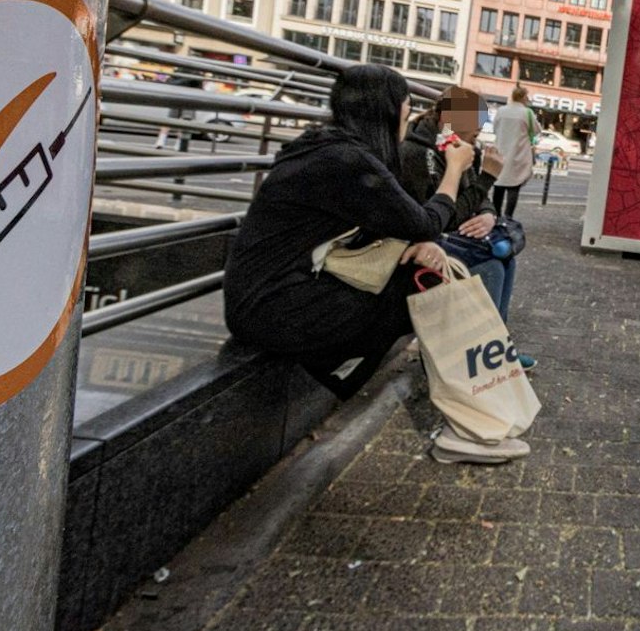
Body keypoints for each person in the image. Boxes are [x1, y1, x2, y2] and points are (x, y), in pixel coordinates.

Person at [224, 64, 526, 463]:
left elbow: (398, 224)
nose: (407, 120)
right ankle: (464, 427)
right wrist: (455, 172)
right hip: (272, 306)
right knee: (427, 285)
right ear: (386, 113)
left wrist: (418, 242)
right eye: (405, 111)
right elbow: (424, 221)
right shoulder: (348, 161)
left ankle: (458, 419)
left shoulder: (331, 150)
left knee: (424, 274)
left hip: (274, 294)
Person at [397, 86, 536, 370]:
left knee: (504, 254)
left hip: (451, 237)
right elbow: (439, 219)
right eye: (475, 122)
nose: (480, 130)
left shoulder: (458, 146)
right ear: (450, 119)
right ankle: (481, 357)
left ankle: (495, 345)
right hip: (424, 244)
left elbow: (479, 199)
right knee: (491, 264)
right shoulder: (417, 154)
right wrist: (487, 178)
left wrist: (487, 215)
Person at [490, 86, 539, 217]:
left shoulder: (501, 110)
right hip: (518, 153)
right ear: (523, 97)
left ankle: (496, 215)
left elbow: (495, 129)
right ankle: (508, 217)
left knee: (498, 185)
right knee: (514, 186)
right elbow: (536, 130)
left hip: (501, 151)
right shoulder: (527, 113)